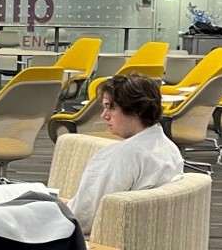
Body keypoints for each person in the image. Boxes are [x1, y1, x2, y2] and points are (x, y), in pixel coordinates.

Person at [67, 73, 184, 235]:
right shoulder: (170, 149)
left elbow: (83, 219)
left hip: (99, 240)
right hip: (147, 233)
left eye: (111, 108)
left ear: (136, 110)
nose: (104, 115)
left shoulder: (119, 157)